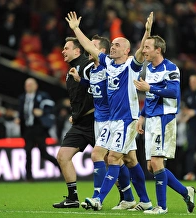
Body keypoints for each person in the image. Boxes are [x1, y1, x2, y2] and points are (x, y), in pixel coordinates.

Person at [66, 11, 153, 211]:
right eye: (112, 44)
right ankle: (144, 201)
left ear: (126, 51)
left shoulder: (132, 65)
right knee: (124, 158)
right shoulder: (108, 63)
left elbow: (141, 51)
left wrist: (147, 31)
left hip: (126, 120)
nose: (113, 47)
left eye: (117, 45)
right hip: (111, 120)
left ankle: (98, 198)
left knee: (113, 158)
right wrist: (76, 29)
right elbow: (89, 46)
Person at [68, 34, 134, 209]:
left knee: (116, 158)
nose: (89, 48)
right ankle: (129, 196)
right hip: (100, 119)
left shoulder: (109, 68)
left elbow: (112, 92)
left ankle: (98, 196)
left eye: (93, 46)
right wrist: (80, 81)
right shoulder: (94, 70)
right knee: (120, 160)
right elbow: (94, 89)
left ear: (100, 51)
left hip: (111, 119)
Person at [133, 35, 196, 214]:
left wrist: (149, 88)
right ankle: (186, 192)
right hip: (151, 119)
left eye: (146, 47)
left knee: (157, 162)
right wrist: (142, 116)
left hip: (164, 118)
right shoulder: (150, 69)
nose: (143, 50)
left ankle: (161, 206)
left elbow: (174, 92)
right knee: (152, 166)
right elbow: (150, 97)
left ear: (157, 50)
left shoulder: (170, 67)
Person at [52, 37, 95, 208]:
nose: (63, 51)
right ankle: (73, 198)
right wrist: (75, 114)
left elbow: (98, 89)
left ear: (77, 51)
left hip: (94, 121)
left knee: (110, 160)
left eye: (66, 48)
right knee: (63, 156)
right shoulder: (70, 73)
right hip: (79, 123)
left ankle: (125, 196)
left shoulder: (88, 66)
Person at [18, 78, 59, 181]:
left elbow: (51, 107)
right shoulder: (22, 98)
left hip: (39, 128)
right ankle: (28, 177)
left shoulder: (43, 96)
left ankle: (60, 166)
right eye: (27, 84)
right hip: (27, 129)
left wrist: (42, 112)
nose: (28, 86)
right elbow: (21, 112)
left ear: (36, 86)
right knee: (27, 151)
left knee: (43, 153)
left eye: (31, 84)